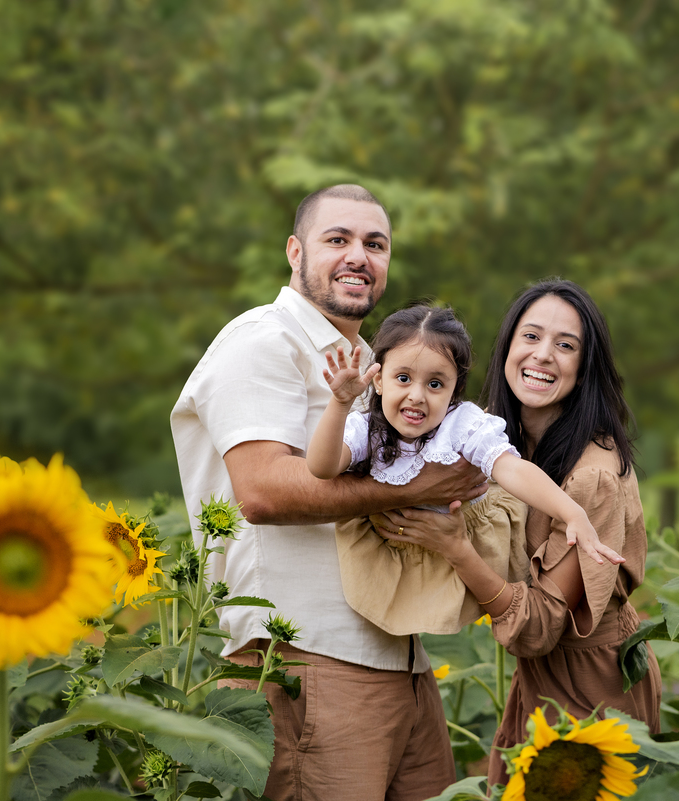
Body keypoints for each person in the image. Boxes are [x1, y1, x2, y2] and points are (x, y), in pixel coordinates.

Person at [170, 184, 487, 801]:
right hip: (305, 659)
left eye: (375, 244)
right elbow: (261, 491)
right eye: (336, 240)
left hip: (401, 662)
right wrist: (424, 484)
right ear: (295, 251)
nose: (358, 256)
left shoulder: (379, 363)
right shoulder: (263, 342)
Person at [376, 279, 663, 784]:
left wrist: (455, 548)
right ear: (507, 346)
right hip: (537, 687)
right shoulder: (502, 447)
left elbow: (540, 628)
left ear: (585, 365)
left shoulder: (591, 478)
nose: (544, 355)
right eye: (531, 337)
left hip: (594, 694)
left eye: (566, 345)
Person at [305, 305, 622, 636]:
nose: (417, 396)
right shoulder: (366, 427)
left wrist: (572, 513)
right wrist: (340, 404)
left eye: (436, 384)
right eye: (403, 378)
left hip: (455, 555)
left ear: (455, 391)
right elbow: (322, 468)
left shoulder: (461, 424)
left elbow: (511, 469)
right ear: (379, 380)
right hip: (385, 559)